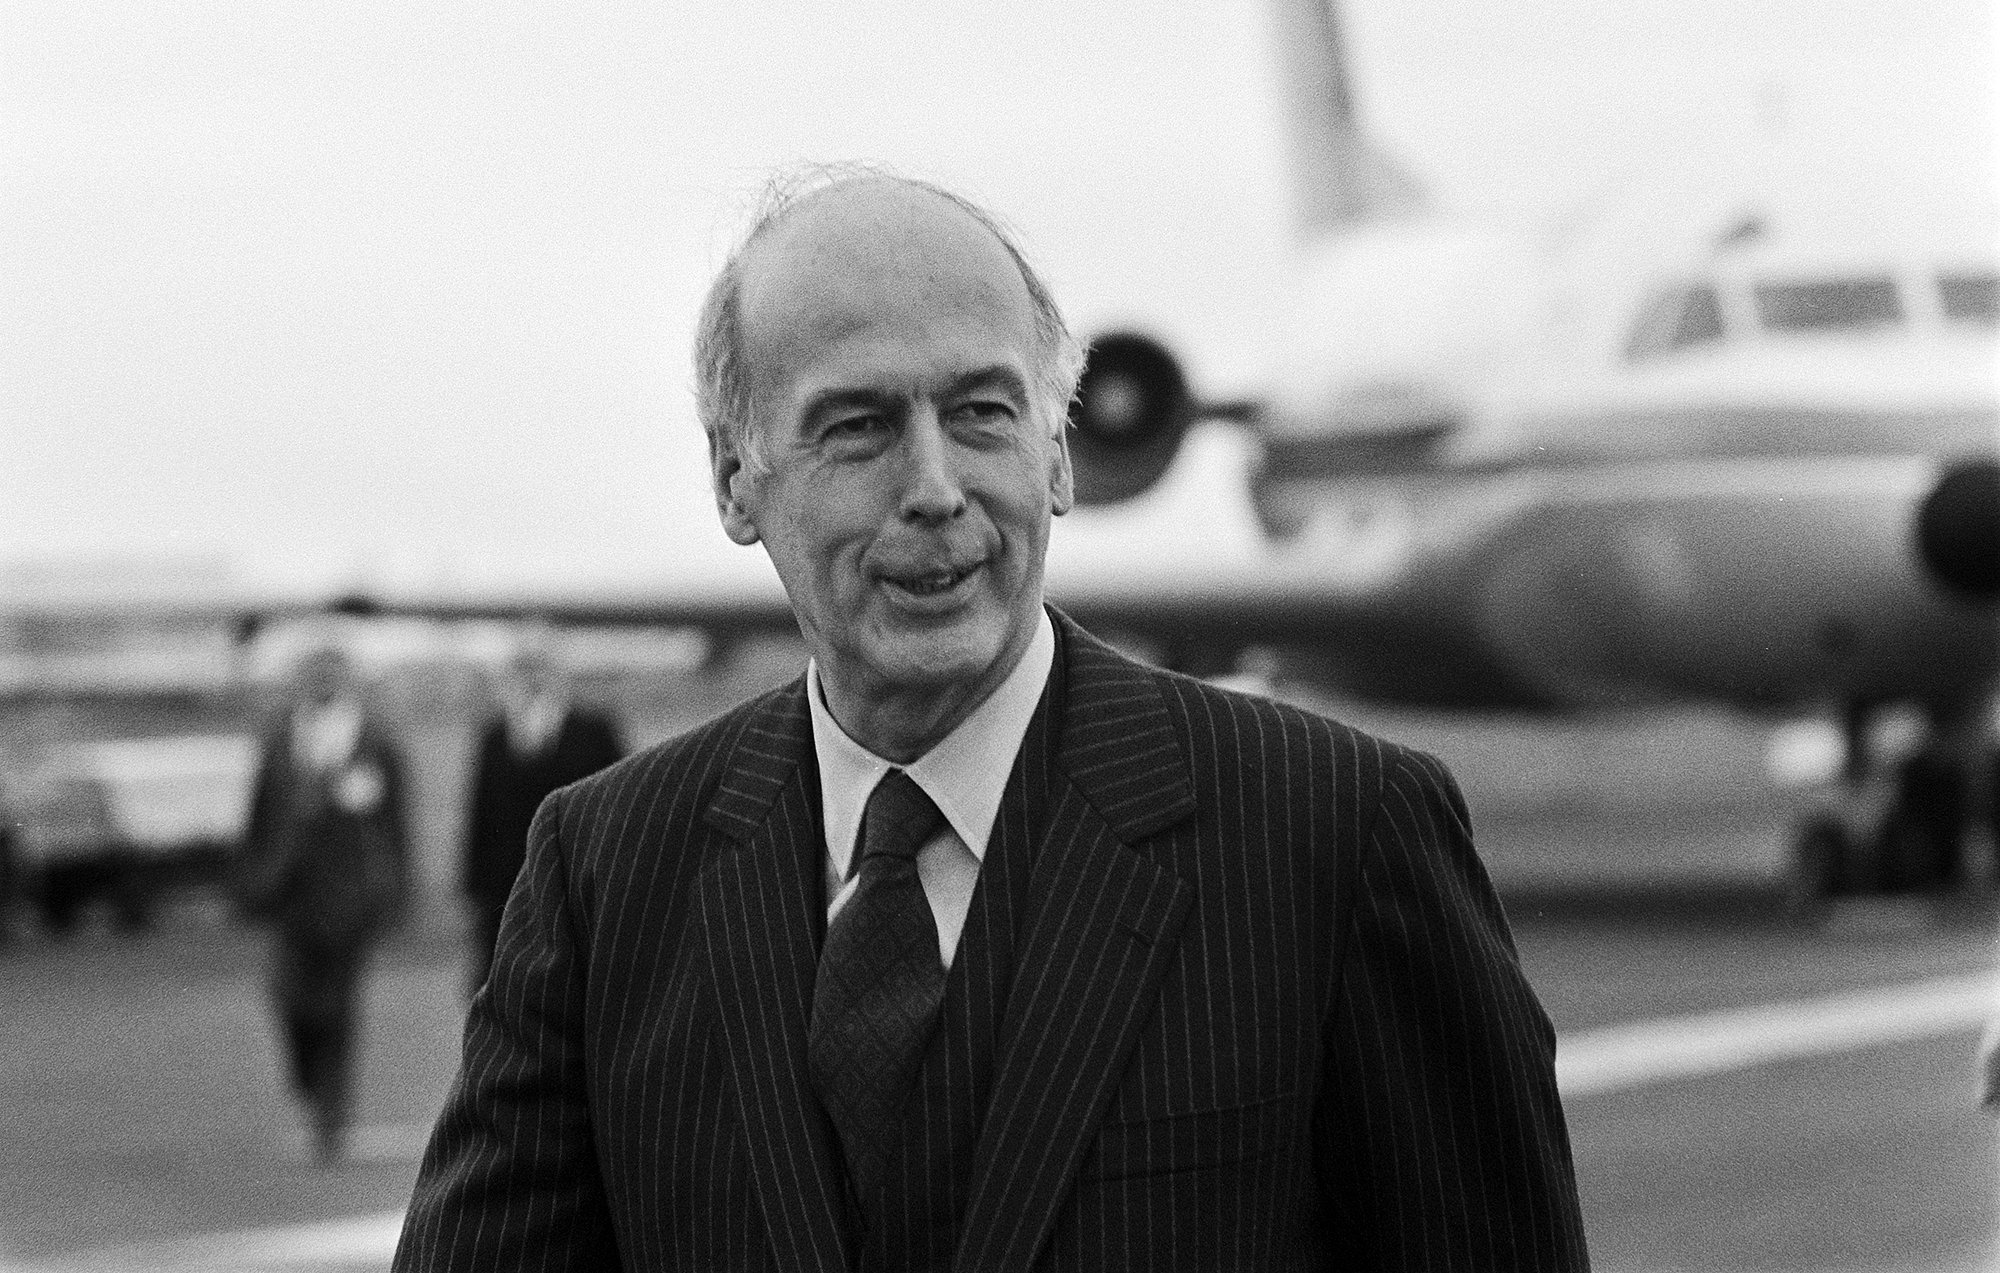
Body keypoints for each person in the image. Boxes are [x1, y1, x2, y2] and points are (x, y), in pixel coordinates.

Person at [395, 169, 1589, 1269]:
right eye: (856, 425)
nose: (934, 488)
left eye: (980, 414)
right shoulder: (605, 875)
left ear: (1058, 455)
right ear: (731, 480)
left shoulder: (1333, 834)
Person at [235, 641, 408, 1164]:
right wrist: (250, 882)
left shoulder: (376, 742)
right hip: (292, 896)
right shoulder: (280, 737)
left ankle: (331, 1122)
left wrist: (396, 892)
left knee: (338, 1009)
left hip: (353, 898)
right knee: (287, 999)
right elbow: (259, 815)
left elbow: (397, 825)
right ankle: (308, 1080)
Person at [461, 632, 624, 994]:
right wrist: (474, 887)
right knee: (506, 988)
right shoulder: (495, 733)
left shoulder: (595, 730)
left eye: (541, 666)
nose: (533, 676)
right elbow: (480, 813)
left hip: (576, 879)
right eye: (524, 667)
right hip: (505, 884)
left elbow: (621, 807)